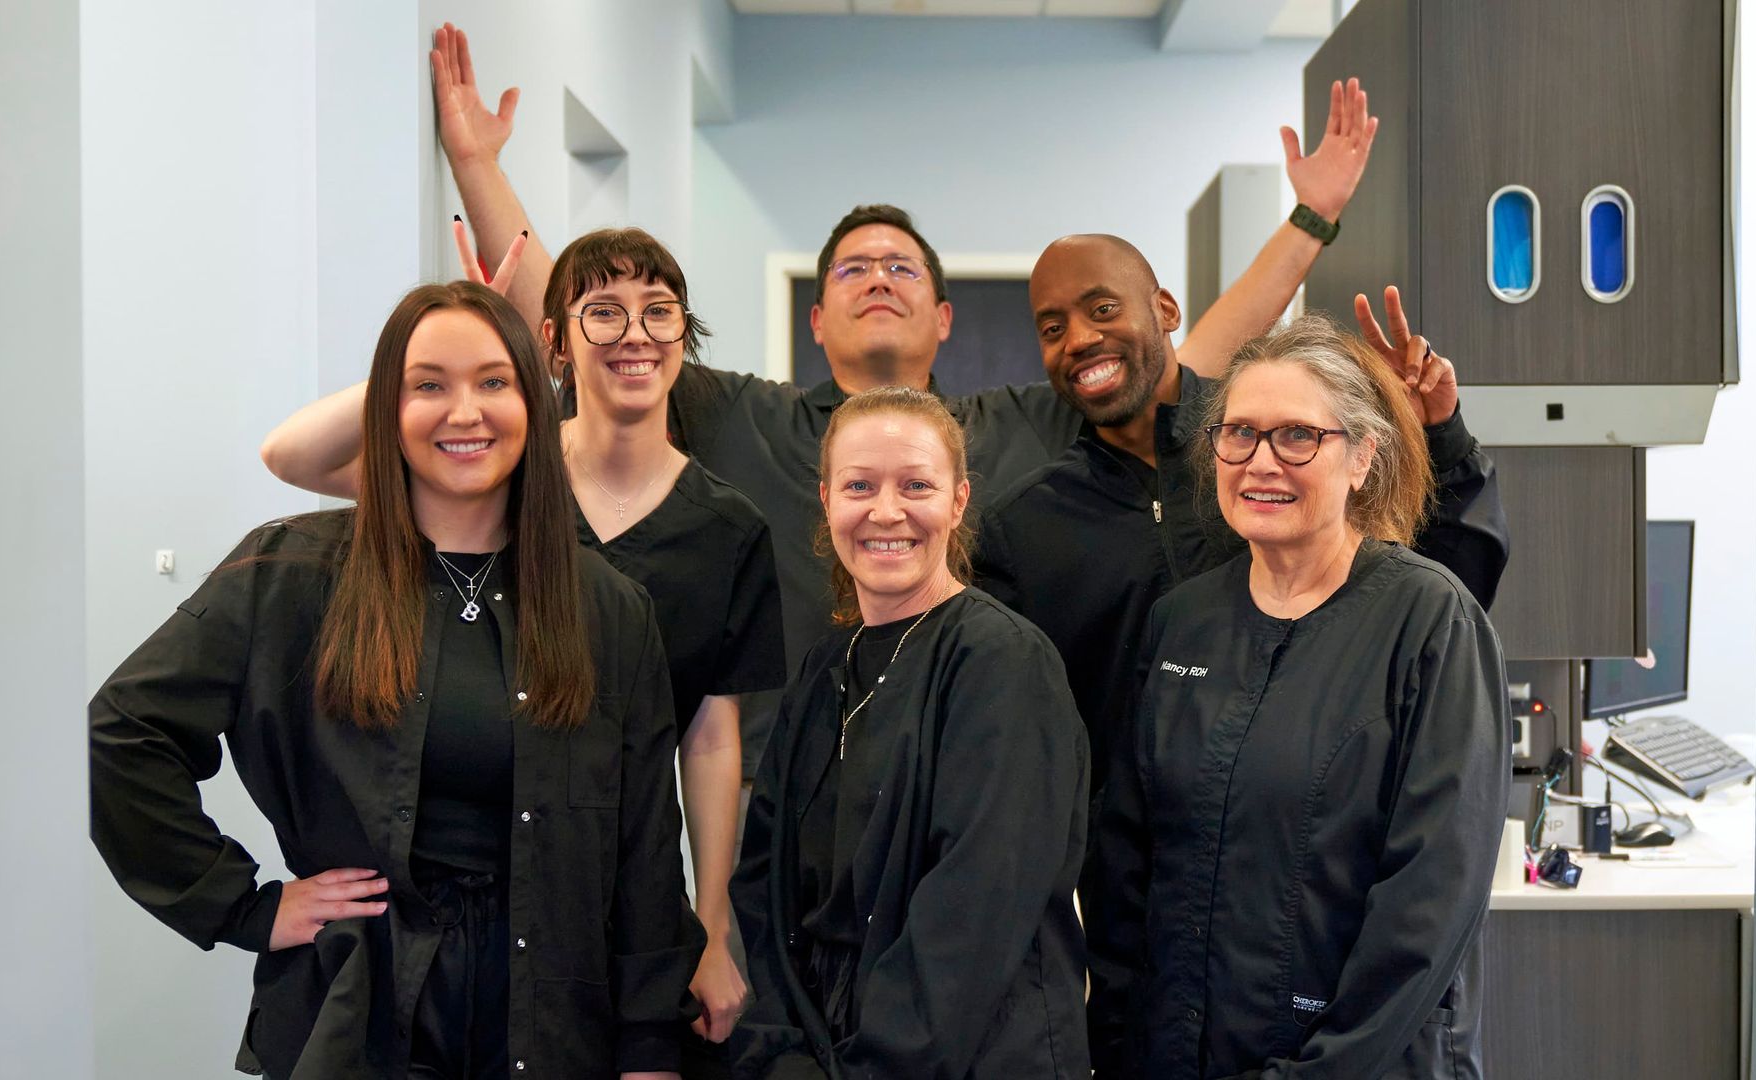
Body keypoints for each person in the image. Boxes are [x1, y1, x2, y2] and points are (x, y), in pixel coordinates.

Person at [260, 22, 1380, 681]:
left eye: (903, 268)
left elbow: (1181, 355)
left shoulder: (1014, 427)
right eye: (853, 269)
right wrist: (477, 168)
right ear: (817, 322)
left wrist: (1311, 221)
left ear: (943, 319)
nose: (879, 277)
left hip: (957, 754)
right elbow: (598, 315)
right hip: (791, 774)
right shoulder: (750, 422)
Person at [92, 280, 702, 1078]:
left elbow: (647, 847)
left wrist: (651, 1046)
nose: (464, 412)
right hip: (361, 1016)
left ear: (534, 403)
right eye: (428, 385)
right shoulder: (290, 574)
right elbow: (122, 732)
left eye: (494, 381)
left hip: (554, 1021)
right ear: (387, 408)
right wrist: (244, 905)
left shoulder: (608, 608)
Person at [264, 221, 786, 1073]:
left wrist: (712, 928)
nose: (635, 335)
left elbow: (712, 738)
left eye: (659, 312)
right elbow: (287, 456)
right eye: (604, 312)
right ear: (556, 340)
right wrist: (458, 345)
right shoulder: (490, 477)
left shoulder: (729, 528)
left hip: (622, 884)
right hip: (472, 904)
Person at [1085, 314, 1510, 1078]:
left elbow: (1429, 906)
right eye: (1239, 434)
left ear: (1362, 458)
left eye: (1298, 437)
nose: (1261, 462)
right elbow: (1127, 871)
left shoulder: (1429, 622)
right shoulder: (1184, 623)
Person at [975, 237, 1508, 799]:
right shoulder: (1027, 527)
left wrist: (1437, 435)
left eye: (1103, 309)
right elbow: (1011, 740)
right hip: (1136, 867)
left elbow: (1451, 585)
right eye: (1052, 328)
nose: (1080, 338)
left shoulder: (1286, 466)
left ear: (1165, 310)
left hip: (1320, 839)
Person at [728, 387, 1089, 1079]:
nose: (885, 511)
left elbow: (975, 912)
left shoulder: (1003, 661)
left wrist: (870, 1068)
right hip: (826, 1053)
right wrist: (783, 1051)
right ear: (829, 500)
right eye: (860, 485)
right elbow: (765, 886)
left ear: (957, 502)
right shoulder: (824, 670)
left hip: (968, 1056)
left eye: (915, 485)